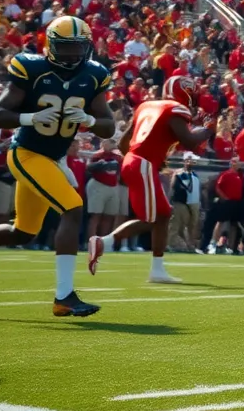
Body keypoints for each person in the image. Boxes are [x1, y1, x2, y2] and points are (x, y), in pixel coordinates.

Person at [0, 16, 114, 316]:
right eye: (65, 47)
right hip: (27, 153)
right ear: (50, 45)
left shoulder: (94, 74)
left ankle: (64, 295)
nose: (72, 55)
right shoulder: (31, 68)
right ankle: (64, 297)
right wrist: (28, 118)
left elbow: (108, 126)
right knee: (72, 208)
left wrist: (90, 121)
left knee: (23, 232)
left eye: (77, 47)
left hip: (53, 158)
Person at [87, 76, 210, 283]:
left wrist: (142, 159)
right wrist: (207, 131)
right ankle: (103, 242)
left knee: (163, 214)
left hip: (135, 161)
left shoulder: (146, 105)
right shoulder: (175, 109)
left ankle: (157, 270)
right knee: (152, 218)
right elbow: (189, 141)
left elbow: (125, 141)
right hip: (142, 164)